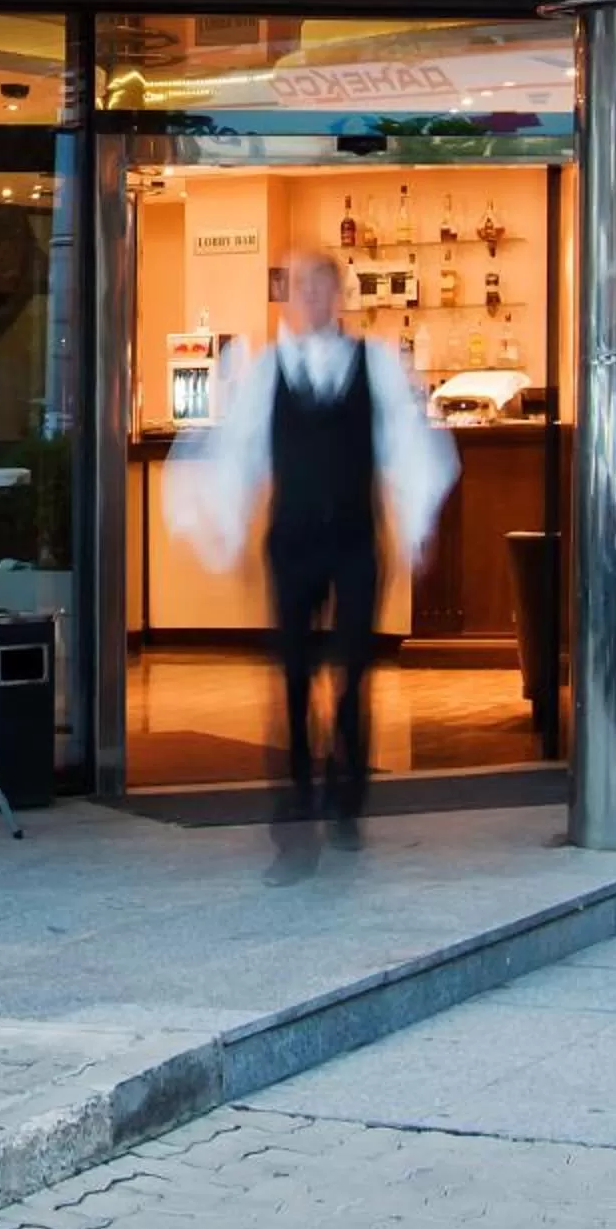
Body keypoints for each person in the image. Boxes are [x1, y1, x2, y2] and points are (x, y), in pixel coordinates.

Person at [166, 251, 456, 831]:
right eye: (304, 288)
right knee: (294, 671)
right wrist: (224, 531)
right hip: (292, 539)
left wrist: (418, 527)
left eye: (324, 288)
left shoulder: (375, 363)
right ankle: (298, 790)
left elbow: (407, 443)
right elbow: (238, 454)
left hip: (354, 537)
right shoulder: (265, 370)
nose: (315, 299)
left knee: (354, 670)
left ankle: (349, 798)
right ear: (289, 296)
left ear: (339, 295)